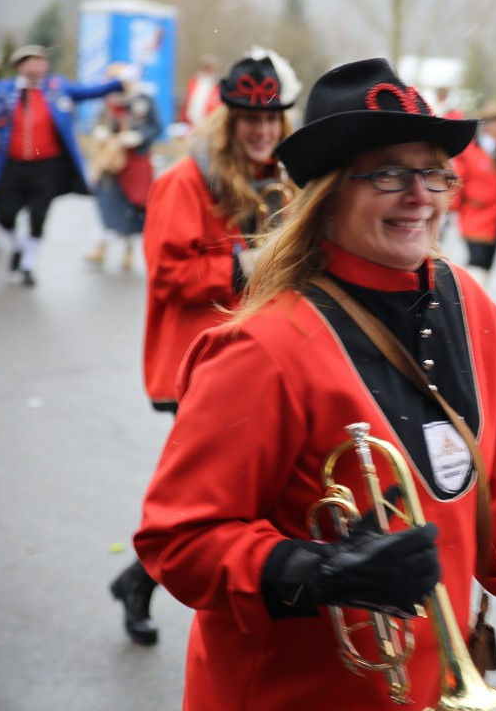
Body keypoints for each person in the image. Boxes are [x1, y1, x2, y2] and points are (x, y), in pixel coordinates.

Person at [133, 57, 496, 711]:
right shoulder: (262, 347)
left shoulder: (468, 302)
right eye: (388, 172)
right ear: (331, 190)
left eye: (432, 171)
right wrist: (308, 571)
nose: (420, 194)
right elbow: (177, 538)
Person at [109, 47, 300, 646]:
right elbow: (167, 273)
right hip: (195, 364)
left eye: (271, 121)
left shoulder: (285, 178)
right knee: (224, 498)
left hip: (258, 357)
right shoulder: (184, 181)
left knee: (231, 494)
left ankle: (138, 583)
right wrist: (242, 266)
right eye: (251, 121)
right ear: (230, 121)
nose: (263, 132)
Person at [0, 45, 123, 286]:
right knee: (4, 213)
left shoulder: (58, 87)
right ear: (20, 65)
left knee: (39, 214)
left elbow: (90, 91)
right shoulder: (4, 90)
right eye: (33, 61)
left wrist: (119, 82)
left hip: (47, 166)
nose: (39, 66)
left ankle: (28, 265)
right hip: (12, 164)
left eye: (42, 61)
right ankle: (18, 246)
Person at [84, 63, 162, 271]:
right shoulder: (107, 102)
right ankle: (101, 246)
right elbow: (97, 123)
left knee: (133, 207)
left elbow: (156, 127)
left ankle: (129, 249)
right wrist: (100, 131)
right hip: (110, 161)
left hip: (136, 162)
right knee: (106, 202)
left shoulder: (143, 99)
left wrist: (139, 137)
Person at [450, 102, 496, 286]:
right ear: (488, 126)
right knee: (476, 268)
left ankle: (477, 308)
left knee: (486, 269)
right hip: (476, 219)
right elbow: (458, 183)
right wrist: (447, 210)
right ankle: (467, 307)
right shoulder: (471, 152)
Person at [179, 53, 222, 132]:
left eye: (210, 67)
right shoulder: (194, 82)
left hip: (209, 126)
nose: (208, 70)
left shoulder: (218, 86)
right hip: (191, 125)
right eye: (206, 67)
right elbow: (187, 103)